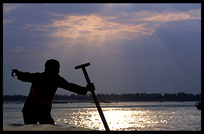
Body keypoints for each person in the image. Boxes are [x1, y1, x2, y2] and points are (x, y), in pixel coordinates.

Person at [11, 59, 95, 124]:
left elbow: (70, 86)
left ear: (58, 71)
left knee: (50, 126)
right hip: (30, 110)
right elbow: (26, 76)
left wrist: (86, 89)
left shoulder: (58, 80)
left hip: (44, 112)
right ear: (45, 70)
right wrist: (18, 73)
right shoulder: (38, 77)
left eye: (54, 72)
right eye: (50, 72)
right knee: (31, 127)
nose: (52, 75)